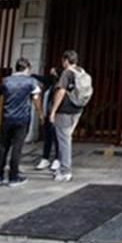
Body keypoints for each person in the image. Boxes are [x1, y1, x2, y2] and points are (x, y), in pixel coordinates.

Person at [0, 57, 43, 186]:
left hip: (7, 117)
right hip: (22, 118)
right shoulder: (31, 81)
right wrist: (41, 113)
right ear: (27, 68)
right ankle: (13, 176)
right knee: (17, 147)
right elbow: (36, 99)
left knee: (3, 146)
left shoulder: (6, 81)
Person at [48, 50, 85, 182]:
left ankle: (65, 171)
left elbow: (61, 91)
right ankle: (63, 168)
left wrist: (53, 111)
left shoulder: (67, 73)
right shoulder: (81, 72)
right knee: (66, 138)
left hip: (65, 111)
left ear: (66, 61)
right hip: (77, 110)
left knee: (64, 141)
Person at [34, 70, 60, 172]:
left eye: (54, 72)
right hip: (47, 115)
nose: (52, 73)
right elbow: (40, 78)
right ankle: (45, 158)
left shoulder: (58, 86)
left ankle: (58, 158)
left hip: (55, 115)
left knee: (57, 138)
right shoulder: (49, 85)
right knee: (48, 138)